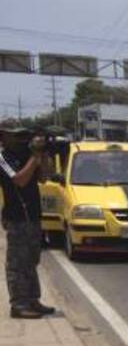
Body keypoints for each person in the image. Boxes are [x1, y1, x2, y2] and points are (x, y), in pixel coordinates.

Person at [0, 123, 54, 319]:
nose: (22, 139)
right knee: (17, 262)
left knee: (32, 260)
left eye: (24, 135)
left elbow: (45, 177)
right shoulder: (3, 158)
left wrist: (43, 154)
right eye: (17, 136)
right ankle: (18, 304)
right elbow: (19, 180)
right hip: (16, 217)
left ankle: (32, 299)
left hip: (32, 215)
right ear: (4, 137)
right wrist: (34, 157)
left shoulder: (27, 156)